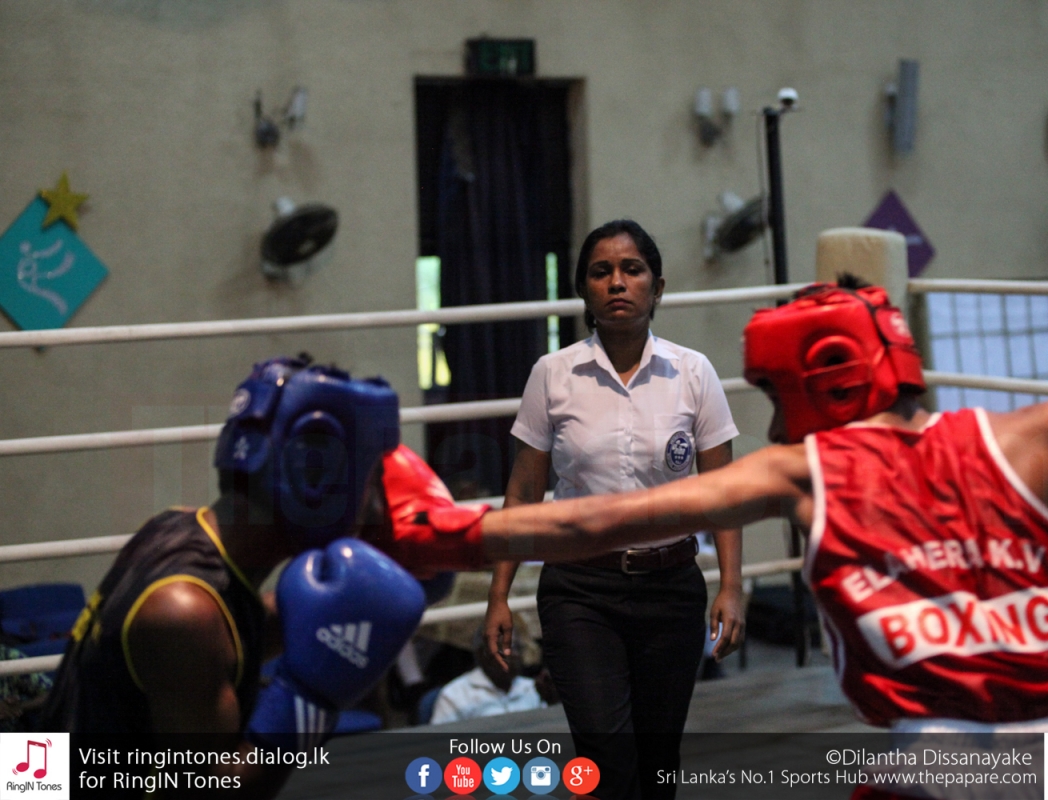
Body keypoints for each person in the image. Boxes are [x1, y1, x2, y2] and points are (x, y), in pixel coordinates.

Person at [377, 276, 1048, 743]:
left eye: (774, 393)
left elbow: (591, 522)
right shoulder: (1040, 433)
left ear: (827, 376)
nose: (773, 423)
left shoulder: (803, 469)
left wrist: (442, 532)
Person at [40, 356, 427, 799]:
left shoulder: (176, 528)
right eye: (371, 480)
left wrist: (351, 610)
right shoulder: (182, 611)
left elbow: (230, 638)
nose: (375, 508)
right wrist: (309, 701)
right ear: (314, 479)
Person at [483, 219, 744, 799]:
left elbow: (722, 491)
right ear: (584, 290)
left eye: (632, 270)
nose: (617, 283)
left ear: (658, 286)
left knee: (657, 761)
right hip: (579, 592)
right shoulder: (552, 375)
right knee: (606, 758)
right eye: (601, 272)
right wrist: (499, 594)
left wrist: (731, 585)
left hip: (672, 590)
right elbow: (523, 494)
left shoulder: (693, 372)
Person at [429, 624, 554, 725]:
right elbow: (440, 743)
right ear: (482, 654)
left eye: (517, 648)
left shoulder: (533, 688)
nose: (515, 655)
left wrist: (553, 703)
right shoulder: (455, 694)